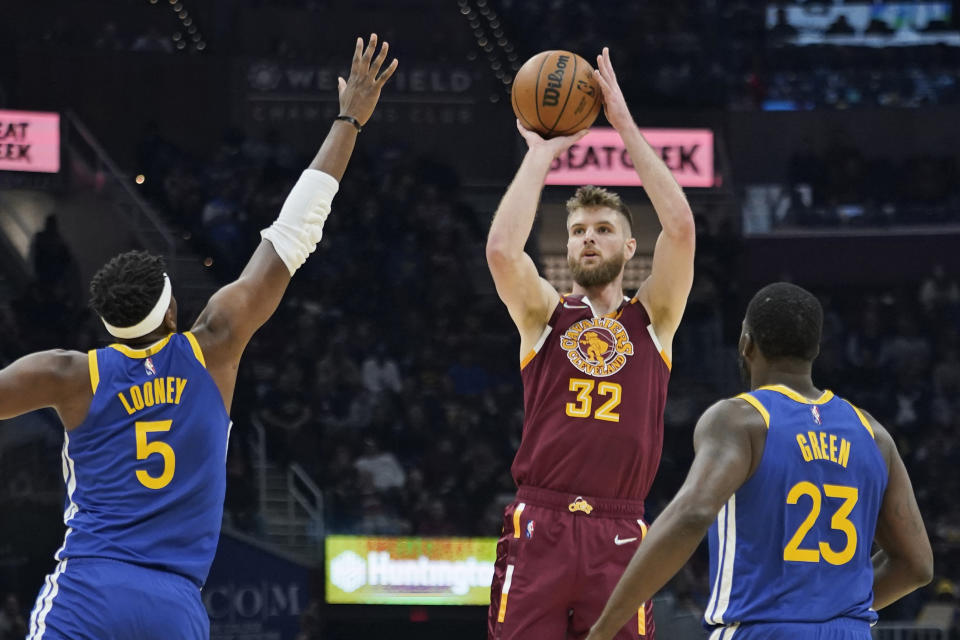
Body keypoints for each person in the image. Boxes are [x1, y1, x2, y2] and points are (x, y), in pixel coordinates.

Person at [0, 35, 397, 640]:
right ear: (172, 308)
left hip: (89, 590)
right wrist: (349, 120)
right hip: (175, 604)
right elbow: (294, 233)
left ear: (107, 324)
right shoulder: (215, 344)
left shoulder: (68, 375)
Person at [485, 47, 695, 639]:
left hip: (620, 530)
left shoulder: (654, 319)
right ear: (568, 248)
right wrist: (541, 154)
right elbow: (502, 251)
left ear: (631, 249)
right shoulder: (544, 316)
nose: (589, 239)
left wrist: (625, 126)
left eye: (604, 230)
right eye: (578, 231)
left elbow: (680, 228)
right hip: (541, 523)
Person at [587, 282, 934, 640]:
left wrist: (604, 629)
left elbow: (692, 515)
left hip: (763, 630)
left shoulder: (740, 419)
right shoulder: (873, 435)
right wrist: (834, 608)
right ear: (815, 349)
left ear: (746, 342)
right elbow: (917, 565)